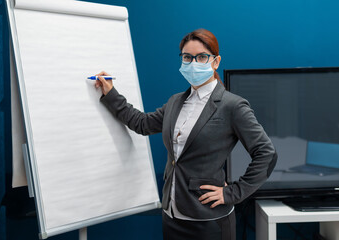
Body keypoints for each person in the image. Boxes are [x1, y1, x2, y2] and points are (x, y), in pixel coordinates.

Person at [94, 29, 277, 240]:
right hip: (171, 216)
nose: (193, 63)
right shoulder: (175, 102)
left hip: (208, 222)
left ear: (216, 62)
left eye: (201, 57)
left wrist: (233, 192)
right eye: (187, 57)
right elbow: (142, 124)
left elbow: (266, 153)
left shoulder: (232, 106)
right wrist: (110, 93)